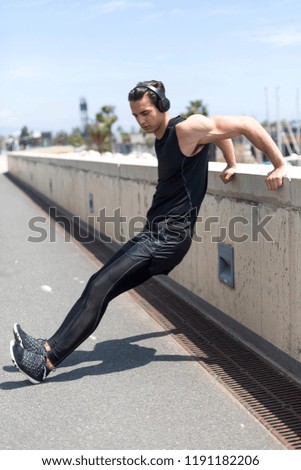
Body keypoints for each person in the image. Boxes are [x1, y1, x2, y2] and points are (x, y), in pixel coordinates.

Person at [10, 80, 288, 384]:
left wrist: (278, 164)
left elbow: (246, 124)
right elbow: (218, 131)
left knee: (100, 285)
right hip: (156, 233)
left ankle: (46, 361)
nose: (142, 121)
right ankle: (47, 347)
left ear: (162, 106)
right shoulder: (175, 134)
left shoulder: (185, 129)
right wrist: (231, 162)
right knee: (100, 286)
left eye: (145, 113)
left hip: (167, 238)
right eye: (136, 116)